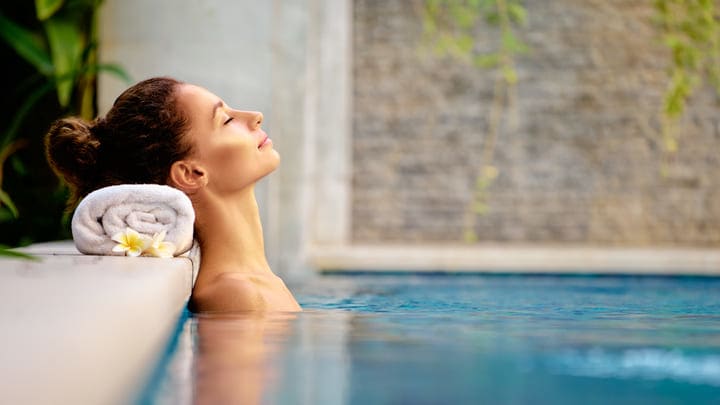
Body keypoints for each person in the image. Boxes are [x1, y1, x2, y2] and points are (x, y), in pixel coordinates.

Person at [44, 76, 301, 313]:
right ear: (191, 174)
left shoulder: (259, 284)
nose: (255, 116)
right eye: (227, 120)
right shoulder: (234, 294)